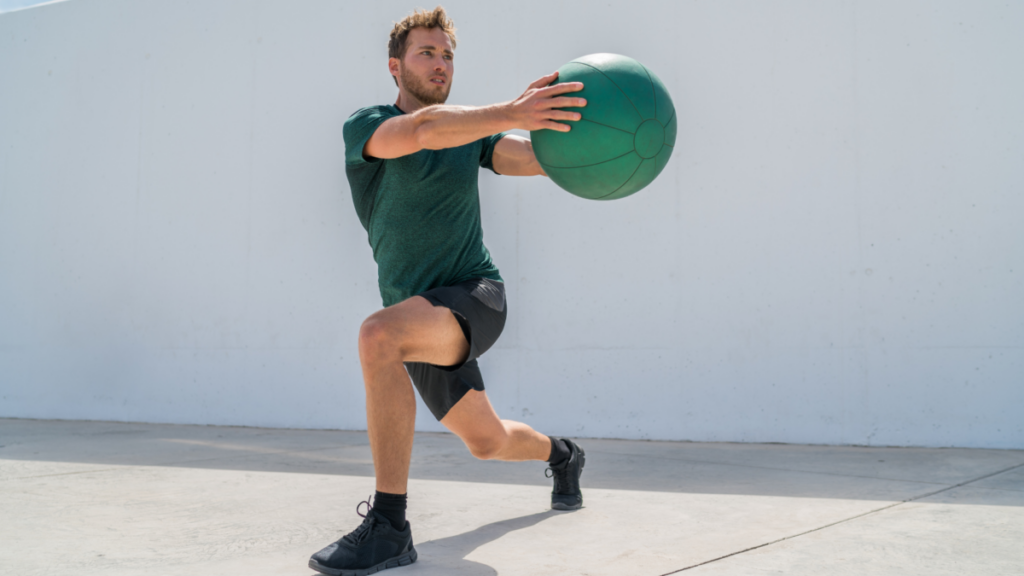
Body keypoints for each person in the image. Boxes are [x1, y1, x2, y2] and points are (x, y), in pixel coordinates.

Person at [308, 6, 588, 575]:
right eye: (427, 53)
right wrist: (509, 110)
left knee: (377, 335)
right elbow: (423, 131)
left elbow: (533, 159)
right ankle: (563, 454)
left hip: (476, 294)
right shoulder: (367, 127)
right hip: (420, 317)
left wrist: (590, 144)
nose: (441, 64)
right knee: (485, 441)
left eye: (448, 55)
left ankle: (389, 525)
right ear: (395, 66)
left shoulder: (473, 135)